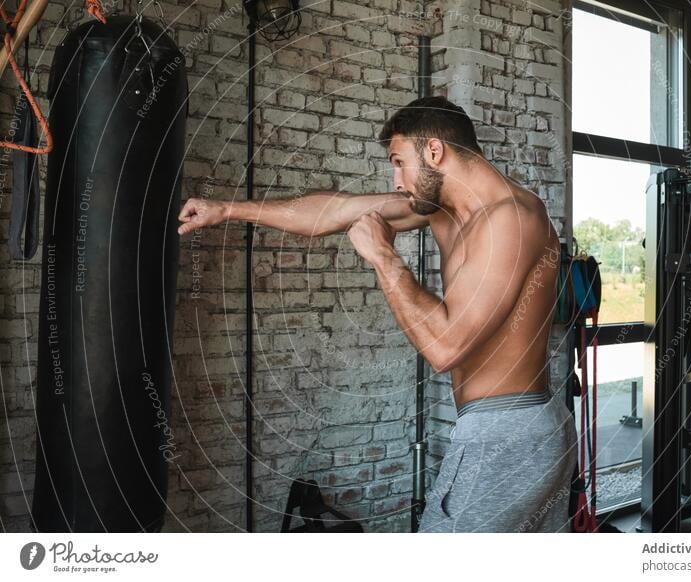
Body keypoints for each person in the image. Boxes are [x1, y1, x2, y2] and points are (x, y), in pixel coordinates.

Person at [176, 95, 578, 532]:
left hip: (506, 434)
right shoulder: (446, 211)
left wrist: (384, 258)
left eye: (398, 161)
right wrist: (228, 210)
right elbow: (335, 211)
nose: (397, 179)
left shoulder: (511, 220)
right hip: (509, 429)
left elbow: (446, 347)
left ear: (434, 151)